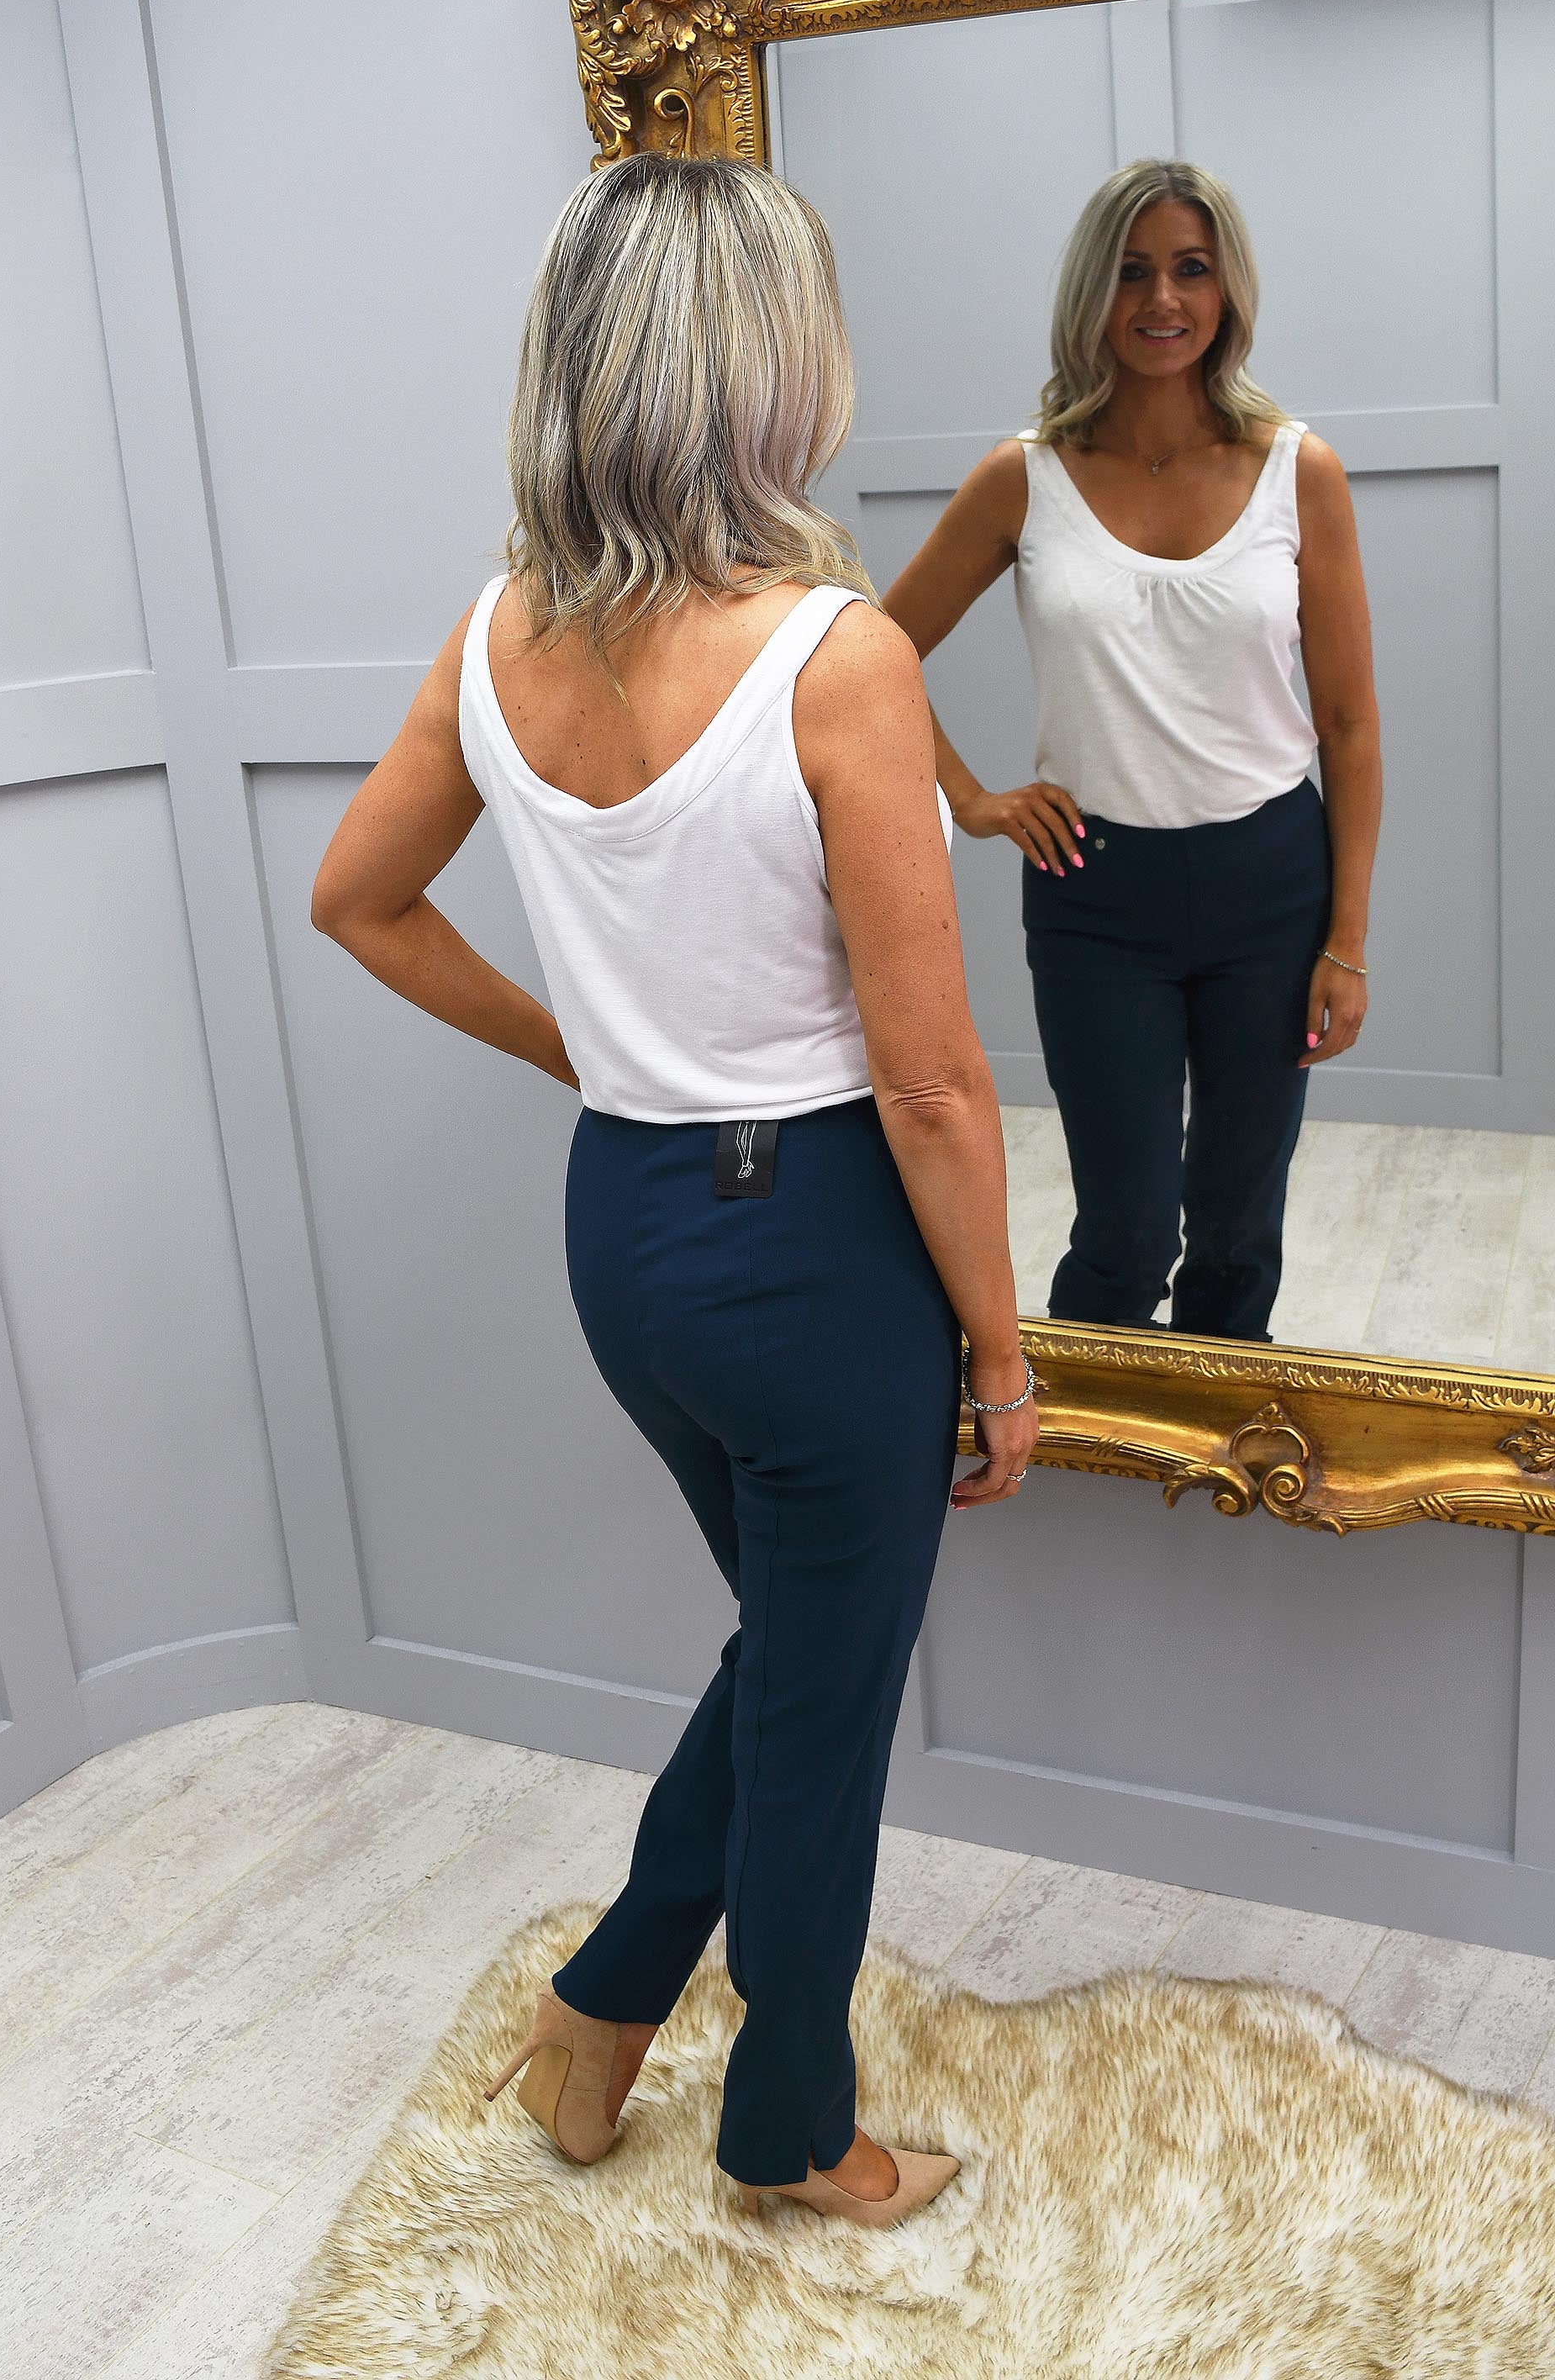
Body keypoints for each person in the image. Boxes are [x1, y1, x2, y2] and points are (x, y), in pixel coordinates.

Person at [308, 154, 1036, 2230]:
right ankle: (790, 2133)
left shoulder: (497, 634)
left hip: (622, 1240)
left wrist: (589, 1056)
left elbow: (355, 898)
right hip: (811, 1257)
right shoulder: (834, 658)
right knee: (823, 1705)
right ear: (764, 367)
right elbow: (929, 1081)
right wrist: (1001, 1357)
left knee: (788, 1662)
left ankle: (604, 2010)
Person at [883, 160, 1383, 1342]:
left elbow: (1350, 723)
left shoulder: (1297, 471)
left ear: (1227, 290)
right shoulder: (1024, 478)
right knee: (1127, 1230)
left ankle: (1214, 1441)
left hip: (1273, 885)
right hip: (1095, 897)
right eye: (1132, 272)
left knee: (1238, 1230)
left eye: (1191, 269)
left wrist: (1347, 943)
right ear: (1091, 294)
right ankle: (1072, 1434)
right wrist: (972, 799)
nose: (1163, 299)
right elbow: (871, 653)